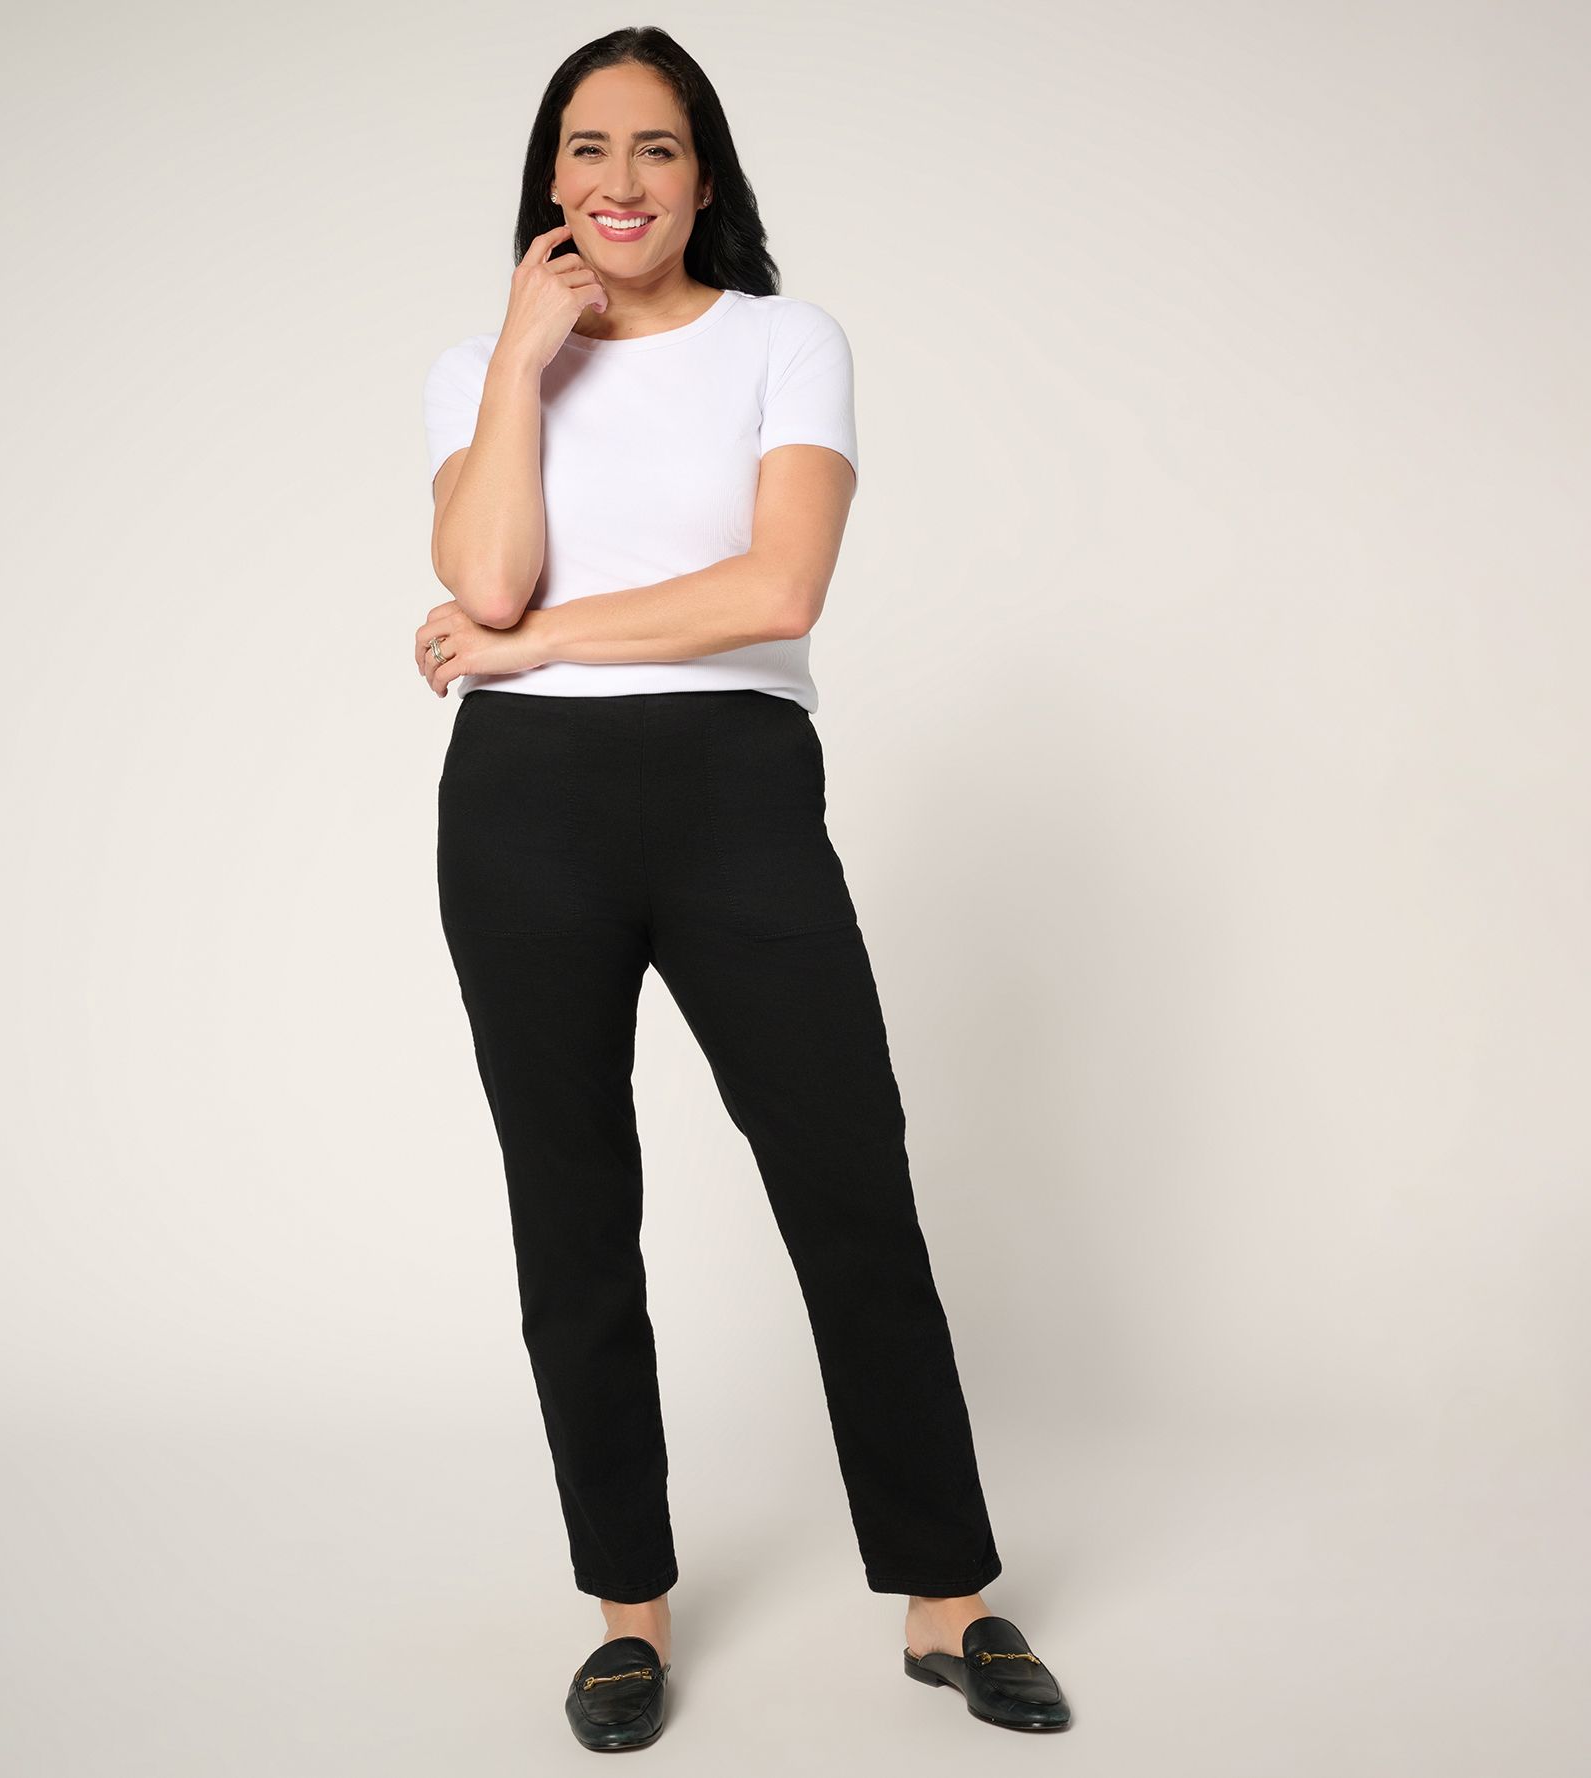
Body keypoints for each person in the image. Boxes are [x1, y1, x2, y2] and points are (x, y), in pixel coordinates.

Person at [418, 28, 1072, 1748]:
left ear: (704, 175)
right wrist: (520, 362)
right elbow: (481, 569)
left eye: (655, 147)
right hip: (522, 810)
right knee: (572, 1211)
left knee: (849, 1179)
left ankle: (948, 1596)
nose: (618, 181)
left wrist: (538, 639)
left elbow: (778, 588)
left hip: (735, 795)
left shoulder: (787, 341)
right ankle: (626, 1611)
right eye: (586, 149)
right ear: (549, 179)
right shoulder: (480, 370)